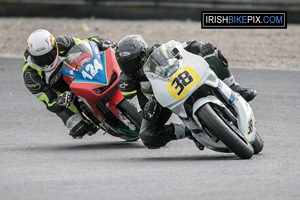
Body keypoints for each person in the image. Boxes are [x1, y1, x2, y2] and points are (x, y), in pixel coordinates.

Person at [115, 35, 257, 149]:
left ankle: (233, 86)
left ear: (143, 53)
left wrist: (201, 46)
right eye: (124, 65)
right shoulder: (125, 82)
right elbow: (136, 106)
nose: (130, 68)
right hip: (158, 102)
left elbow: (183, 47)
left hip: (181, 79)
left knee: (213, 54)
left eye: (134, 61)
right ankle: (188, 131)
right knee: (147, 135)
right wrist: (146, 111)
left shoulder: (156, 51)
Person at [23, 29, 116, 139]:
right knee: (79, 127)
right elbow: (49, 101)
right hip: (63, 93)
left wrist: (104, 43)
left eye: (50, 54)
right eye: (40, 59)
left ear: (55, 47)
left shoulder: (63, 42)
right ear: (32, 56)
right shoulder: (31, 76)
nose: (47, 61)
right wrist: (60, 102)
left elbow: (87, 43)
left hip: (79, 73)